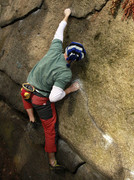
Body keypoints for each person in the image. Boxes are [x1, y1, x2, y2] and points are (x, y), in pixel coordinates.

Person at [21, 8, 86, 171]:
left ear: (66, 50)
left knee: (25, 94)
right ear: (75, 61)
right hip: (40, 100)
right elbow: (53, 97)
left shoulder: (55, 49)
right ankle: (51, 159)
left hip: (27, 87)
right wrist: (70, 89)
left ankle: (31, 117)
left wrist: (66, 15)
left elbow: (59, 32)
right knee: (50, 129)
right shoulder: (65, 73)